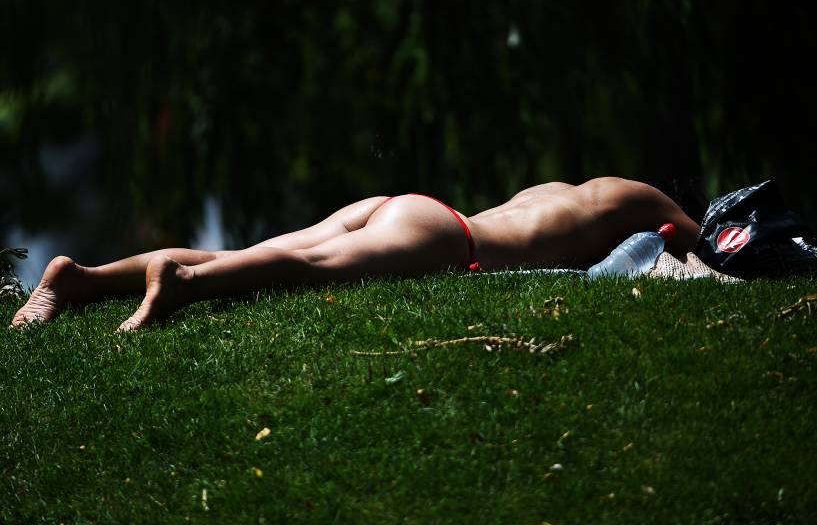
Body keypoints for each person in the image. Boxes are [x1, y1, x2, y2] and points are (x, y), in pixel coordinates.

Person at [11, 177, 699, 332]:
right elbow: (710, 249)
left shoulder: (559, 191)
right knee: (310, 273)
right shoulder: (639, 201)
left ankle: (82, 280)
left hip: (413, 209)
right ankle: (183, 283)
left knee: (262, 250)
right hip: (448, 239)